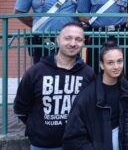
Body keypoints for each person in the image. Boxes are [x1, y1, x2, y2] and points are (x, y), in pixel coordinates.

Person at [14, 22, 94, 150]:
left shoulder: (88, 74)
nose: (73, 43)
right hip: (43, 145)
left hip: (78, 144)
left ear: (83, 43)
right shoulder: (36, 72)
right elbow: (21, 108)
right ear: (58, 40)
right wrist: (38, 128)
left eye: (78, 39)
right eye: (68, 38)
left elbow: (91, 108)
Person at [63, 41, 128, 150]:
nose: (116, 66)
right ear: (101, 65)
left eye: (119, 61)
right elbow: (72, 137)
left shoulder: (127, 90)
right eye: (110, 62)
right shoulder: (87, 96)